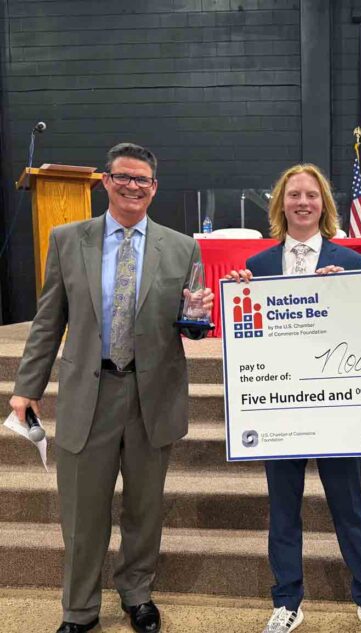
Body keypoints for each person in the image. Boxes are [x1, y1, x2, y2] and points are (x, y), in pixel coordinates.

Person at [9, 143, 214, 633]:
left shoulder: (181, 247)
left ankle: (137, 595)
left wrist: (199, 320)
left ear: (154, 188)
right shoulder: (67, 240)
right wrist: (26, 386)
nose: (132, 187)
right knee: (83, 513)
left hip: (151, 396)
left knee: (144, 508)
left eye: (142, 180)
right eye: (123, 177)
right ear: (105, 181)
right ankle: (78, 611)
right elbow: (47, 321)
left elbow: (189, 323)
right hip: (90, 393)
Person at [227, 164, 361, 633]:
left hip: (335, 407)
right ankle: (287, 602)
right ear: (281, 204)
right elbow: (249, 339)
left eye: (312, 195)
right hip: (279, 407)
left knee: (350, 509)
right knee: (283, 511)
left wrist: (339, 294)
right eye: (294, 195)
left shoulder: (352, 263)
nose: (303, 202)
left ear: (324, 205)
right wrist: (239, 300)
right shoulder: (257, 267)